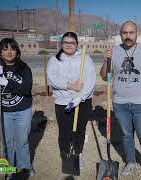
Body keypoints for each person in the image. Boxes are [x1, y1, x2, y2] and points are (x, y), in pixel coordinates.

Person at [100, 21, 141, 180]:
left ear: (136, 33)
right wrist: (106, 60)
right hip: (120, 103)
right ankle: (131, 161)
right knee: (127, 136)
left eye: (131, 32)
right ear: (120, 34)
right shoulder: (113, 51)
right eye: (125, 33)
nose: (128, 36)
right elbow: (105, 76)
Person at [47, 32, 96, 177]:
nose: (69, 45)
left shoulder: (85, 59)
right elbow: (51, 79)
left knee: (80, 130)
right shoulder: (54, 60)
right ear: (61, 44)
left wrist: (79, 98)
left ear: (76, 44)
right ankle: (66, 155)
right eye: (66, 42)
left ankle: (78, 153)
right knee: (64, 131)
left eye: (72, 42)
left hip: (82, 102)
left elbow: (90, 81)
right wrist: (70, 86)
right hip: (63, 103)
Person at [0, 38, 34, 177]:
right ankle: (8, 170)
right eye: (5, 49)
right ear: (0, 52)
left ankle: (24, 167)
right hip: (2, 112)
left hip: (22, 111)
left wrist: (6, 82)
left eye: (12, 48)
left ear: (17, 51)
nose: (9, 51)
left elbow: (25, 90)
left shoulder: (24, 68)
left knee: (22, 141)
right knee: (7, 143)